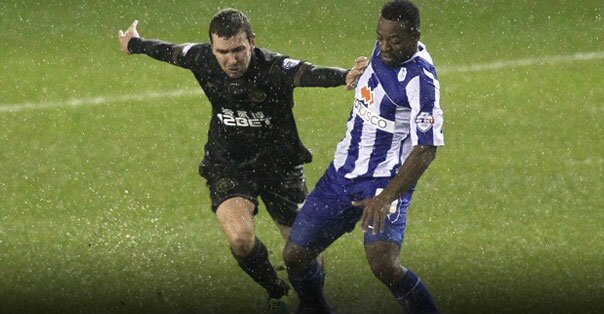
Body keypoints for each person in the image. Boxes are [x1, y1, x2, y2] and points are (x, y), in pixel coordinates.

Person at [118, 8, 368, 314]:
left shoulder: (273, 67)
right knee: (239, 239)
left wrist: (344, 75)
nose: (231, 59)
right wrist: (134, 44)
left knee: (302, 251)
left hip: (280, 166)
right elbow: (169, 51)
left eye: (238, 50)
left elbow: (306, 72)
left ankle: (313, 304)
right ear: (212, 48)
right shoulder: (201, 58)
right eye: (223, 52)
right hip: (228, 163)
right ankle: (276, 291)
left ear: (251, 42)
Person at [283, 1, 442, 313]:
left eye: (393, 41)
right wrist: (360, 73)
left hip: (385, 181)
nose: (384, 47)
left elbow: (426, 149)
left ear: (415, 36)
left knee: (384, 263)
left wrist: (386, 198)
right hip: (343, 173)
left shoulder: (421, 83)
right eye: (379, 38)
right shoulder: (384, 48)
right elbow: (376, 75)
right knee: (295, 255)